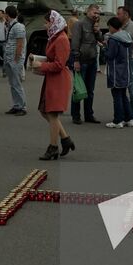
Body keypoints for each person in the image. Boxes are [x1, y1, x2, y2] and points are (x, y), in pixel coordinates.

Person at [32, 10, 76, 160]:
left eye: (46, 22)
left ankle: (53, 147)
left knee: (52, 113)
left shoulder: (61, 39)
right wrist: (39, 60)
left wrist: (41, 66)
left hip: (58, 80)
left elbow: (59, 64)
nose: (44, 26)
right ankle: (65, 139)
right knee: (45, 111)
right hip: (52, 79)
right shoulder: (55, 37)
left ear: (53, 22)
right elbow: (53, 59)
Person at [70, 4, 103, 125]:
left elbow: (101, 40)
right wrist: (76, 60)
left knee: (90, 90)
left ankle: (89, 115)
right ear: (87, 12)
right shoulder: (79, 24)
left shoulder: (95, 26)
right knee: (78, 89)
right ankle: (76, 115)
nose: (96, 15)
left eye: (98, 13)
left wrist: (97, 31)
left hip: (92, 60)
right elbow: (75, 43)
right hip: (82, 61)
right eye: (94, 12)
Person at [116, 6, 133, 125]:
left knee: (132, 90)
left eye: (119, 14)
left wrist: (125, 42)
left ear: (126, 15)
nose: (117, 16)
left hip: (130, 60)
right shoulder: (118, 26)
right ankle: (125, 115)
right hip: (119, 61)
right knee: (120, 90)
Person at [103, 16, 133, 127]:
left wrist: (104, 49)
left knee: (116, 96)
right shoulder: (127, 36)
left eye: (109, 27)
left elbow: (110, 56)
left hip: (116, 71)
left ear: (112, 26)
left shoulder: (114, 39)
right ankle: (129, 118)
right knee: (123, 95)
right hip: (126, 69)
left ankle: (118, 120)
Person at [2, 6, 28, 115]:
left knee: (17, 84)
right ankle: (16, 105)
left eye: (5, 14)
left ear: (7, 15)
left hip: (15, 59)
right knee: (12, 84)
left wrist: (16, 59)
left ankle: (22, 107)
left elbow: (20, 44)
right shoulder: (10, 25)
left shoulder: (18, 27)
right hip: (9, 58)